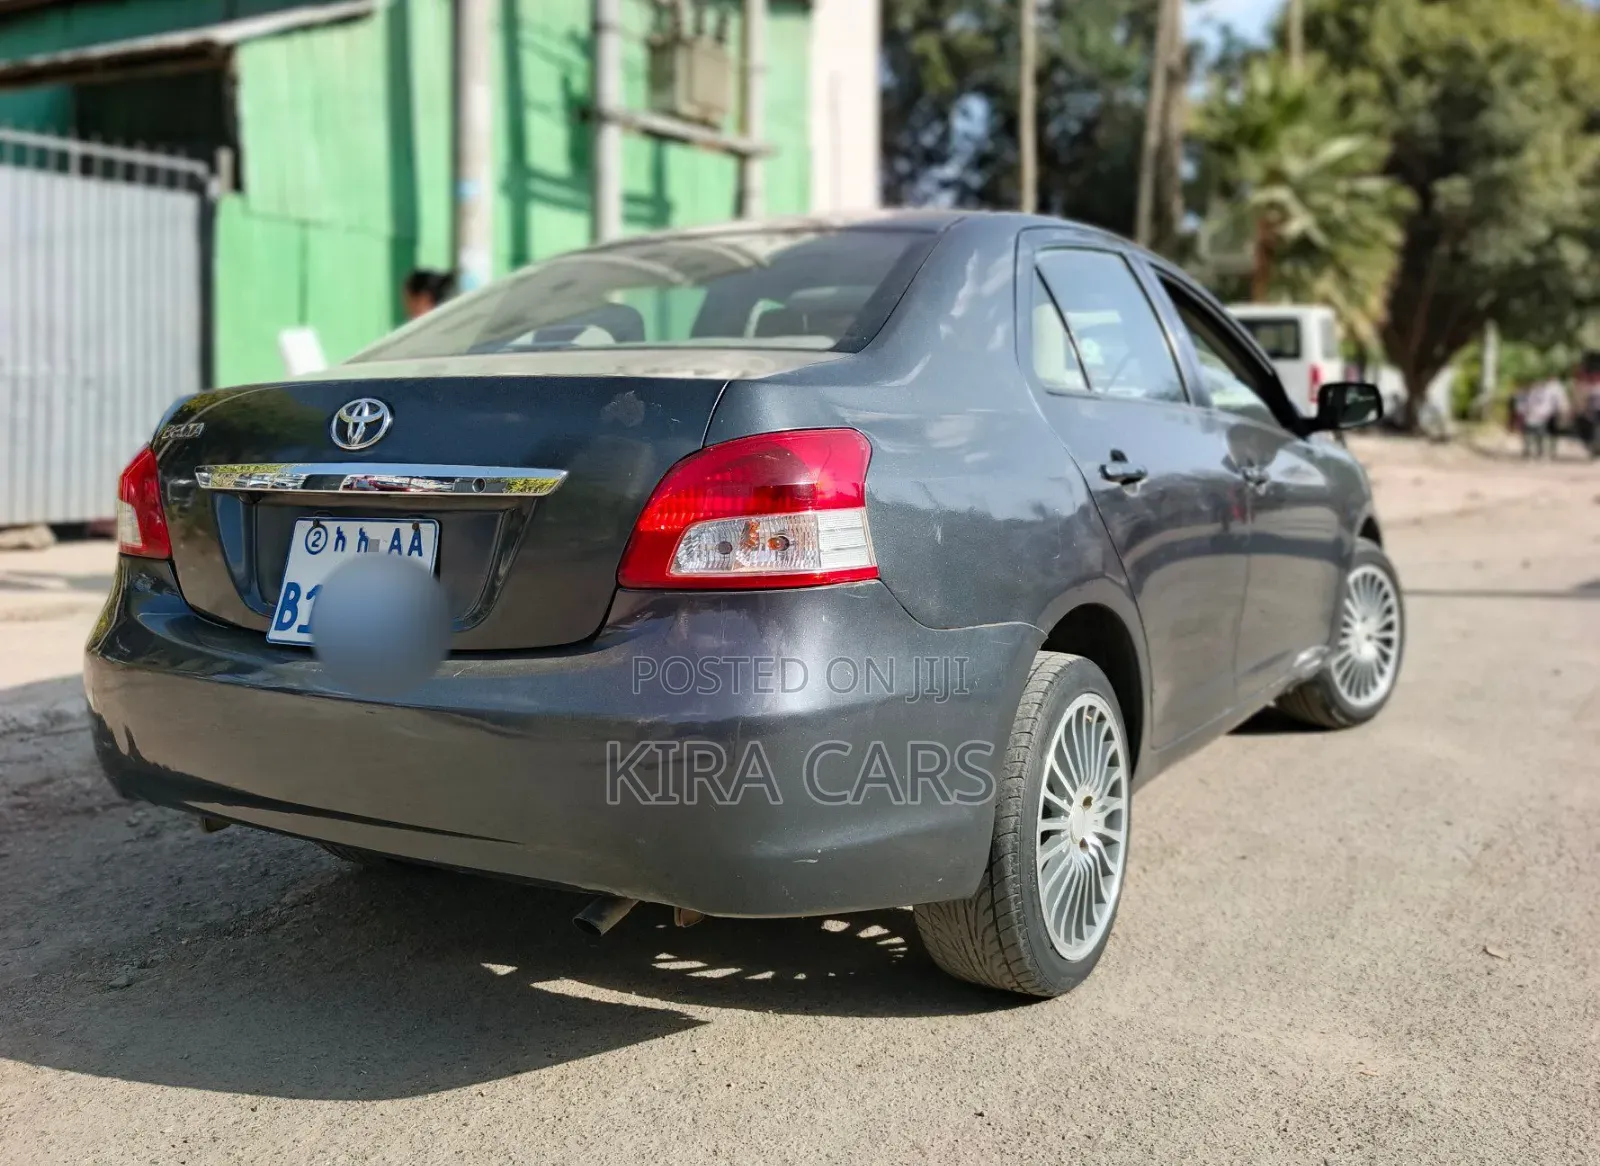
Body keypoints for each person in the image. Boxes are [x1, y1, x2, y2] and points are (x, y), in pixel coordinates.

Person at [1520, 376, 1568, 459]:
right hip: (1534, 415)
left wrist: (1549, 413)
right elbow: (1528, 403)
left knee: (1542, 434)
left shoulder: (1549, 391)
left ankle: (1543, 451)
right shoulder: (1533, 392)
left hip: (1545, 415)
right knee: (1529, 434)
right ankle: (1528, 451)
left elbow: (1553, 403)